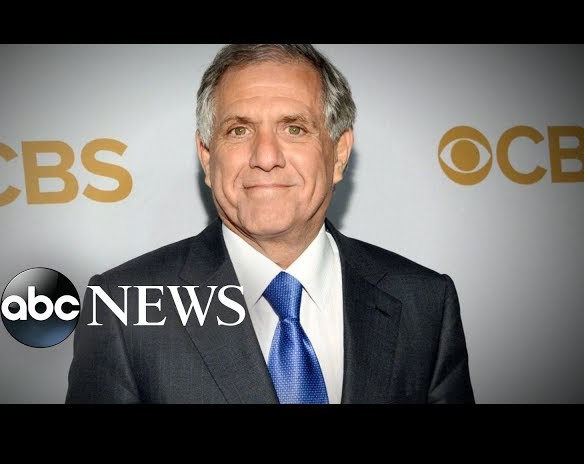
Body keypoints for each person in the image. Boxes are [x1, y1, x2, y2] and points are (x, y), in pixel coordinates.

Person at [66, 44, 475, 404]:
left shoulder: (425, 302)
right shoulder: (121, 308)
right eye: (239, 130)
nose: (265, 157)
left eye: (294, 128)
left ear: (339, 153)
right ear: (207, 157)